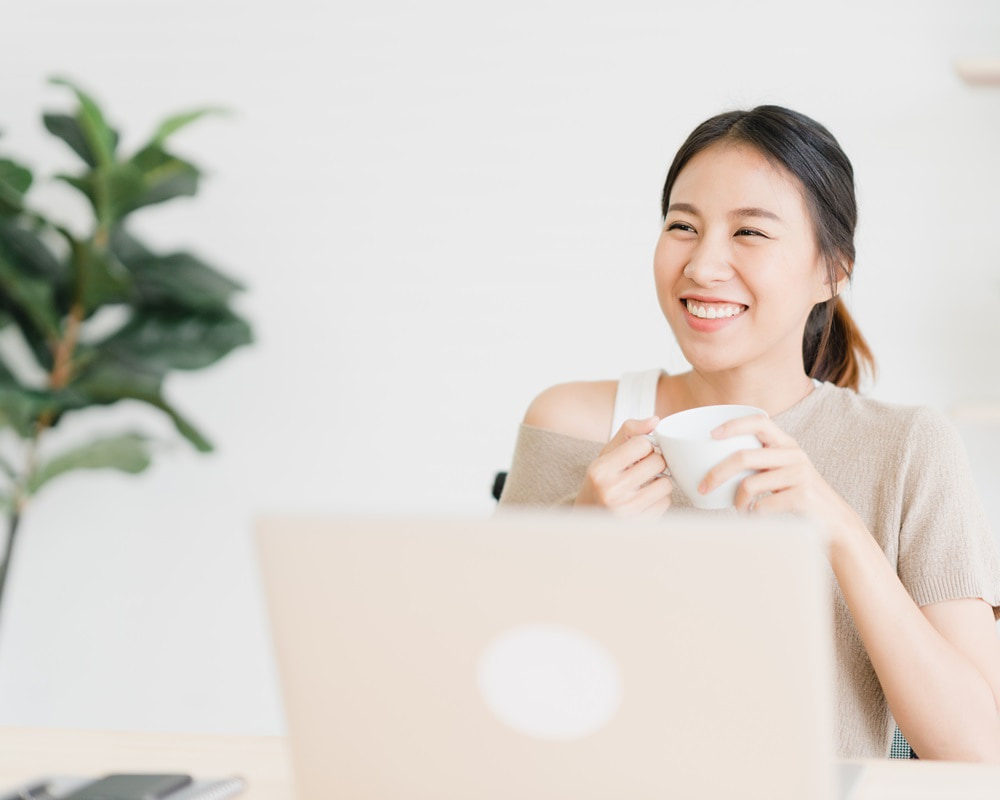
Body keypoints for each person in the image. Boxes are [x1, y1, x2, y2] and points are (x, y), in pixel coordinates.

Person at [497, 106, 1000, 762]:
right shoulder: (572, 424)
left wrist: (841, 530)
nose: (704, 265)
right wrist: (583, 540)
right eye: (683, 226)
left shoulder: (909, 448)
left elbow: (976, 750)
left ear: (833, 271)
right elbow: (489, 694)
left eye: (750, 233)